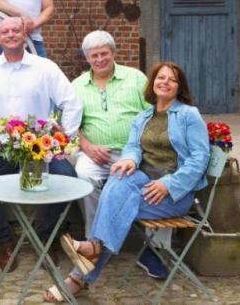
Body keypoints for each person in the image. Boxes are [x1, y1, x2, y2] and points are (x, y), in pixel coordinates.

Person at [46, 62, 210, 302]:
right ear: (152, 83)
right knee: (119, 174)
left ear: (179, 87)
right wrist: (129, 161)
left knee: (118, 207)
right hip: (143, 182)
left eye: (171, 79)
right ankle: (91, 253)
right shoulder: (144, 116)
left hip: (174, 194)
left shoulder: (188, 115)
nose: (164, 82)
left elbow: (200, 158)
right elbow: (132, 147)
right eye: (160, 77)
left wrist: (169, 184)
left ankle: (79, 274)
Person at [0, 17, 82, 272]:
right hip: (1, 148)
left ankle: (46, 236)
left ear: (24, 35)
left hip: (40, 149)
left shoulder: (46, 68)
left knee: (68, 180)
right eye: (5, 31)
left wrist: (62, 140)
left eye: (15, 30)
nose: (10, 35)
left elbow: (72, 103)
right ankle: (5, 240)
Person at [71, 30, 165, 278]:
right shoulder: (77, 85)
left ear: (113, 53)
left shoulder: (135, 78)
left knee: (130, 186)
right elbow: (69, 126)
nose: (99, 59)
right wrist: (88, 147)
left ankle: (140, 247)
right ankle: (97, 241)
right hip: (95, 154)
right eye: (94, 56)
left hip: (134, 153)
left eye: (104, 53)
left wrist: (137, 151)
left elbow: (155, 115)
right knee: (83, 174)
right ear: (87, 58)